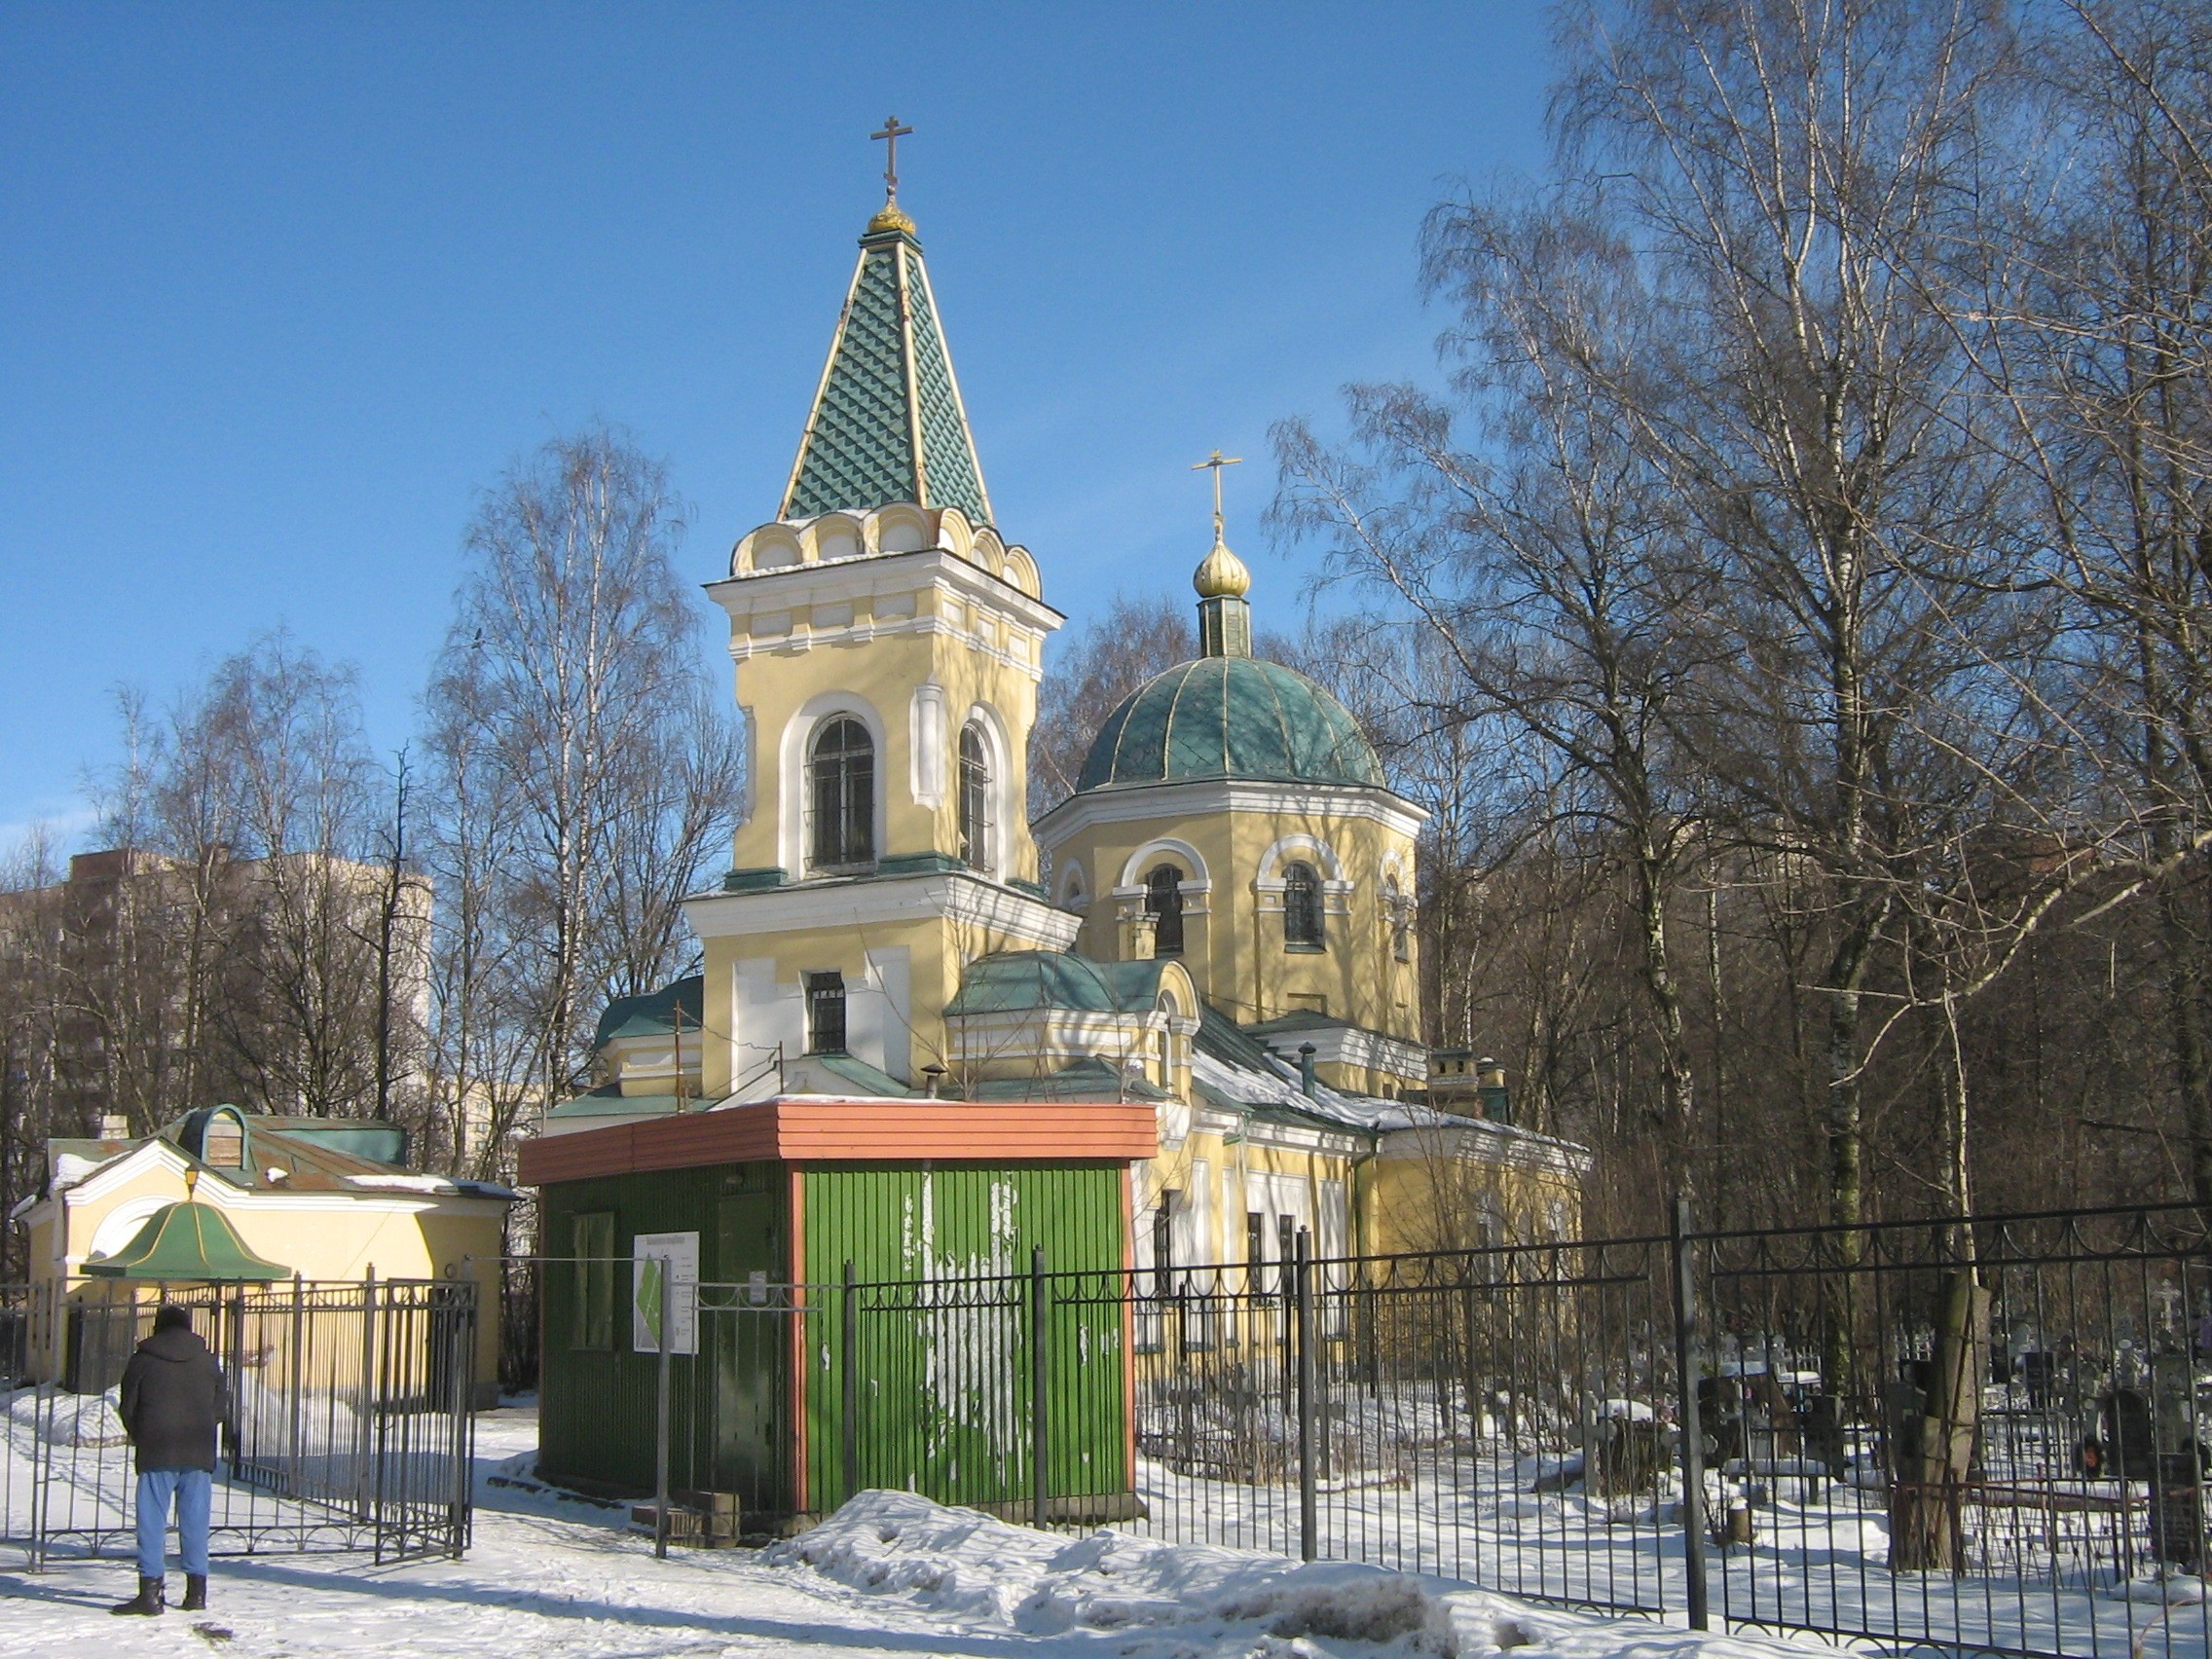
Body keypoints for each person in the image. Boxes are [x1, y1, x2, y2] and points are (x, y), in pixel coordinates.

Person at [112, 1302, 229, 1617]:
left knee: (151, 1521)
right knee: (195, 1521)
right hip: (197, 1450)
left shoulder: (143, 1360)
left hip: (156, 1450)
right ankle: (196, 1592)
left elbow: (128, 1406)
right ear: (189, 1327)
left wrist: (142, 1432)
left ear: (157, 1328)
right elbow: (221, 1406)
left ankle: (150, 1593)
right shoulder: (207, 1360)